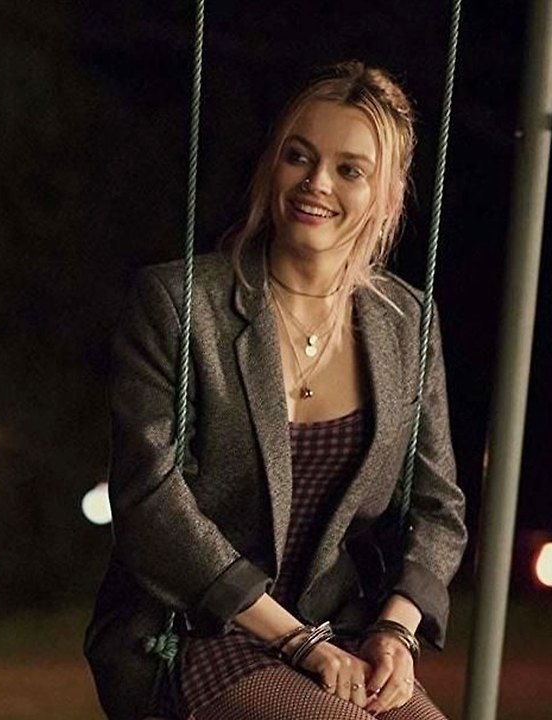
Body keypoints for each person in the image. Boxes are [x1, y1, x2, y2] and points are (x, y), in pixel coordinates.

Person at [84, 61, 467, 720]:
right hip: (200, 628)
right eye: (299, 156)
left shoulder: (407, 321)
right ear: (273, 165)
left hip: (342, 629)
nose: (316, 182)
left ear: (387, 195)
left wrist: (396, 631)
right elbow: (150, 501)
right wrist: (295, 641)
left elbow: (439, 510)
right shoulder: (181, 304)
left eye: (350, 169)